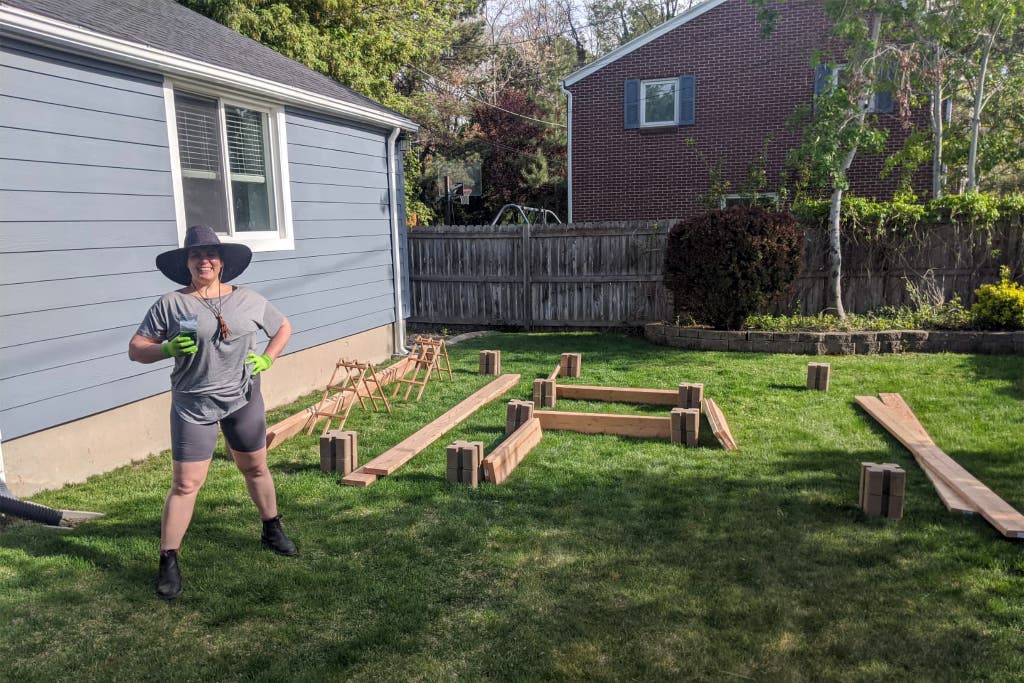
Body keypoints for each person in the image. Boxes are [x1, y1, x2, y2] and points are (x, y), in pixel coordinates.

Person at [129, 225, 298, 600]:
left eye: (211, 255)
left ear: (222, 262)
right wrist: (167, 349)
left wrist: (267, 360)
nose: (204, 260)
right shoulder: (171, 304)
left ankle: (272, 528)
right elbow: (136, 348)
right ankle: (168, 560)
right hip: (193, 404)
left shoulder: (249, 299)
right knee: (186, 484)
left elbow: (283, 326)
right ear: (186, 263)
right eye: (196, 255)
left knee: (255, 467)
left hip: (242, 397)